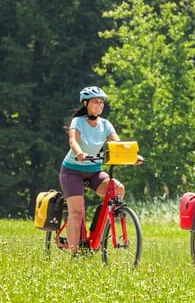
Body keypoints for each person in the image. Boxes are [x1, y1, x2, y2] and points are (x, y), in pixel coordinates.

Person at [58, 86, 142, 255]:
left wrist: (133, 156)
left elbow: (117, 145)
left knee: (118, 189)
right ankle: (75, 255)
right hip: (72, 172)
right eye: (96, 102)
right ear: (86, 103)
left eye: (102, 102)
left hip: (95, 171)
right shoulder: (78, 122)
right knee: (76, 212)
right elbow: (73, 140)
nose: (100, 105)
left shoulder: (105, 125)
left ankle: (98, 230)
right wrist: (79, 152)